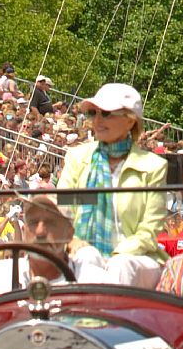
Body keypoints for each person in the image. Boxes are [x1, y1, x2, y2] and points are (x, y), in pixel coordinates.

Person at [59, 82, 168, 287]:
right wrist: (71, 242)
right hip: (83, 252)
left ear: (130, 121)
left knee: (121, 265)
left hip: (137, 257)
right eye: (93, 113)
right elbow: (62, 211)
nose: (97, 120)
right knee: (86, 257)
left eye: (107, 114)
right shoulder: (77, 158)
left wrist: (116, 254)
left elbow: (149, 229)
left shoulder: (154, 166)